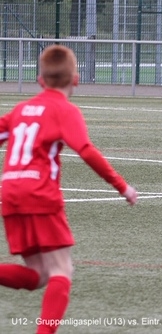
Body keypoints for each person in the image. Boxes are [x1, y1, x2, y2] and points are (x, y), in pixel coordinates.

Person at [0, 44, 138, 333]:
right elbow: (85, 150)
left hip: (10, 194)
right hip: (40, 194)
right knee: (62, 270)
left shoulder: (21, 109)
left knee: (38, 275)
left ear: (40, 80)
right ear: (75, 79)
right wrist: (122, 186)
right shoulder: (64, 110)